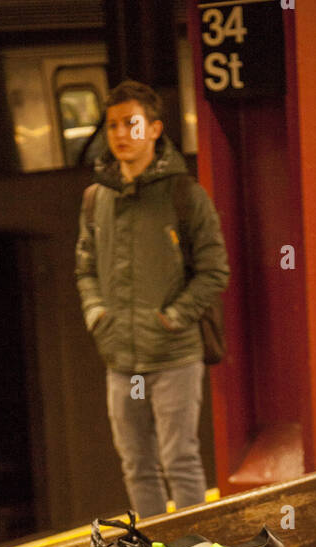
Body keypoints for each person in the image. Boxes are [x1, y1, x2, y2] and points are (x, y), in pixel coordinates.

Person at [75, 79, 230, 519]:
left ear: (155, 128)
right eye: (113, 126)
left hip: (174, 355)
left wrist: (173, 317)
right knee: (136, 466)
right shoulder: (94, 200)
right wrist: (96, 315)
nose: (121, 134)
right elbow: (85, 268)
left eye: (131, 123)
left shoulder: (184, 195)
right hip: (121, 359)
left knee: (180, 459)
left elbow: (215, 270)